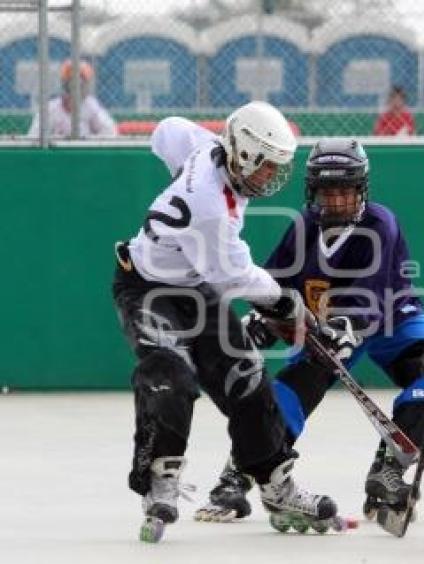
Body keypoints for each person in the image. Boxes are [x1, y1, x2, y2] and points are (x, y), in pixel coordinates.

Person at [193, 138, 424, 531]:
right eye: (326, 192)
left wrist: (342, 329)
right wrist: (263, 321)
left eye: (345, 191)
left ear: (362, 188)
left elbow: (369, 297)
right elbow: (274, 283)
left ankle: (389, 470)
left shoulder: (381, 223)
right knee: (286, 393)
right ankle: (241, 472)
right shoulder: (303, 225)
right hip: (327, 326)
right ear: (312, 191)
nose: (335, 201)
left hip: (391, 321)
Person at [112, 101, 339, 542]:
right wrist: (290, 305)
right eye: (267, 167)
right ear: (245, 155)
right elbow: (235, 276)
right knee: (170, 377)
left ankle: (276, 483)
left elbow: (167, 130)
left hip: (196, 288)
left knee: (248, 379)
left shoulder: (207, 148)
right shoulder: (211, 208)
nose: (272, 177)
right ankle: (159, 478)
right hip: (148, 289)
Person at [27, 59, 117, 138]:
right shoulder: (51, 108)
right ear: (65, 84)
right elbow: (34, 136)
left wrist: (90, 139)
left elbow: (110, 132)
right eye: (72, 82)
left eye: (82, 83)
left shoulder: (91, 106)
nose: (78, 87)